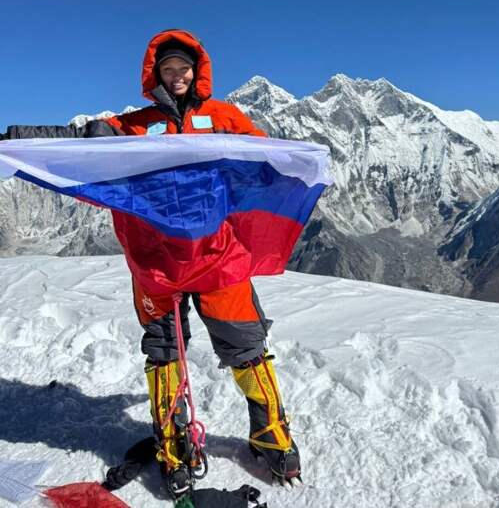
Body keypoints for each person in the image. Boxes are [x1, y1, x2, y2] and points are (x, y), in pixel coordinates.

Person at [0, 28, 301, 497]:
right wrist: (15, 138)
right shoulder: (134, 126)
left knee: (246, 347)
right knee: (164, 353)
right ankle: (174, 444)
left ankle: (271, 436)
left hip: (218, 255)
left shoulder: (225, 118)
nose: (176, 75)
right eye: (167, 69)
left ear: (196, 72)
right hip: (157, 259)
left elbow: (265, 156)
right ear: (155, 74)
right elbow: (77, 141)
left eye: (183, 68)